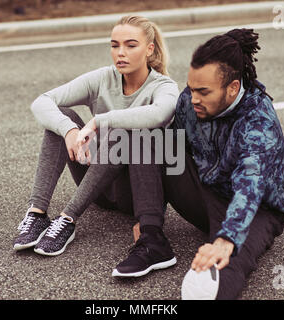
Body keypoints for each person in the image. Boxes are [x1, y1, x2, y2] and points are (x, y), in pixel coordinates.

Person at [132, 28, 284, 299]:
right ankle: (151, 238)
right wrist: (150, 214)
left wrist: (226, 239)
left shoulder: (258, 123)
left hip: (255, 210)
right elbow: (169, 150)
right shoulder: (190, 100)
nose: (193, 98)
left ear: (232, 88)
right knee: (147, 137)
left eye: (203, 92)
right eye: (192, 88)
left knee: (208, 282)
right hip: (206, 191)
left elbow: (250, 186)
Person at [13, 15, 179, 275]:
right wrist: (69, 130)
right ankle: (37, 213)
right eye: (115, 45)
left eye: (130, 45)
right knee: (62, 117)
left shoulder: (164, 86)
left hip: (134, 194)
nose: (120, 53)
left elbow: (159, 114)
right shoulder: (103, 79)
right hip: (96, 185)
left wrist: (99, 122)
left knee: (125, 130)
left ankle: (67, 219)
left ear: (149, 49)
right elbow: (42, 101)